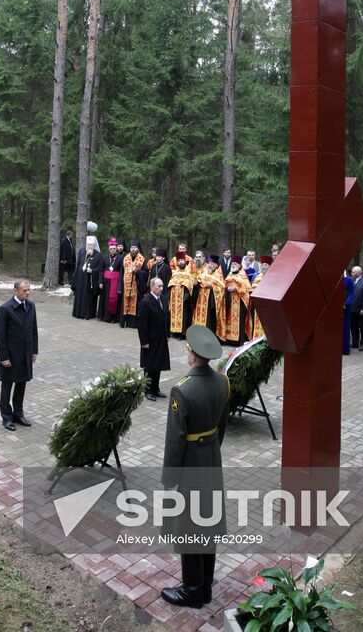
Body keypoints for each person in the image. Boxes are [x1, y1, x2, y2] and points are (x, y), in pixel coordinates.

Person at [160, 324, 230, 609]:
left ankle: (192, 590)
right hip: (212, 458)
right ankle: (205, 585)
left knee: (189, 524)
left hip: (190, 462)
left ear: (192, 355)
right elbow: (221, 425)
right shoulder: (223, 382)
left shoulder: (182, 390)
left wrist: (170, 477)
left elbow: (175, 440)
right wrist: (211, 448)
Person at [0, 280, 38, 431]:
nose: (28, 292)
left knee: (21, 385)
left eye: (29, 290)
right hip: (10, 356)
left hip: (25, 355)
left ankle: (18, 414)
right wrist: (3, 358)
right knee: (7, 386)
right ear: (16, 291)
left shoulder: (31, 306)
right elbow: (0, 337)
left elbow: (33, 331)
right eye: (24, 290)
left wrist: (34, 351)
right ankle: (6, 418)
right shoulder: (5, 309)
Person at [137, 277, 170, 401]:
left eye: (162, 286)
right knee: (150, 366)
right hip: (150, 340)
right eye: (159, 286)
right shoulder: (146, 302)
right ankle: (147, 390)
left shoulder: (164, 299)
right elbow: (141, 324)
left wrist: (168, 334)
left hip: (161, 338)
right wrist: (144, 342)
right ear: (152, 287)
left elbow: (167, 317)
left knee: (159, 364)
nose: (161, 288)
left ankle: (156, 388)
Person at [193, 255, 226, 338]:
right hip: (200, 300)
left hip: (211, 302)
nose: (210, 266)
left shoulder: (219, 275)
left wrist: (212, 286)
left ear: (216, 266)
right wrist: (197, 283)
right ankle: (198, 334)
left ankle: (208, 336)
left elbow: (221, 288)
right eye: (210, 264)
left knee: (209, 319)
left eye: (213, 264)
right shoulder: (204, 272)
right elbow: (198, 280)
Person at [71, 237, 103, 319]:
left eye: (91, 245)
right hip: (80, 280)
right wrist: (75, 280)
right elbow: (78, 266)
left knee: (89, 298)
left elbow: (100, 269)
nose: (89, 246)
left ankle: (88, 314)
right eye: (88, 244)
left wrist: (92, 271)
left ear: (94, 245)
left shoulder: (99, 255)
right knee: (80, 296)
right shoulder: (82, 252)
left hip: (90, 282)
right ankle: (78, 313)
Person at [166, 251, 196, 338]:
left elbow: (190, 282)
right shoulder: (174, 272)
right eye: (179, 261)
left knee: (184, 315)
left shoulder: (189, 272)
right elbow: (170, 283)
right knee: (173, 314)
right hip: (174, 298)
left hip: (183, 297)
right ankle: (174, 331)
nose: (180, 262)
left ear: (185, 261)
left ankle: (182, 334)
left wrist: (186, 294)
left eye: (182, 260)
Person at [224, 256, 252, 344]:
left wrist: (236, 288)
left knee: (239, 320)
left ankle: (239, 340)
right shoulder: (230, 274)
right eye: (232, 264)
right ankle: (230, 339)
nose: (233, 265)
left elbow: (247, 287)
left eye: (235, 264)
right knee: (229, 319)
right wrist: (227, 288)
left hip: (239, 302)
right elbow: (224, 285)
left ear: (239, 265)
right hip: (230, 301)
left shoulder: (243, 275)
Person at [120, 240, 147, 328]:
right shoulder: (125, 258)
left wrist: (138, 271)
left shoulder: (142, 259)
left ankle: (134, 324)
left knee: (136, 305)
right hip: (126, 286)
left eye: (135, 248)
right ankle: (125, 322)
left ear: (138, 249)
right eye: (132, 248)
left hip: (137, 287)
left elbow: (146, 273)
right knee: (125, 304)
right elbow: (121, 272)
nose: (133, 249)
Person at [99, 238, 123, 323]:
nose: (112, 250)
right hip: (106, 282)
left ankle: (113, 318)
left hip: (115, 282)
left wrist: (120, 284)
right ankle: (105, 317)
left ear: (116, 249)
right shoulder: (104, 257)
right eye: (111, 249)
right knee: (105, 299)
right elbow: (101, 270)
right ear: (109, 249)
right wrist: (100, 282)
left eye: (114, 249)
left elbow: (121, 272)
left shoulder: (120, 258)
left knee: (114, 300)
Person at [249, 255, 271, 338]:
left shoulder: (272, 277)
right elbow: (252, 288)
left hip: (268, 306)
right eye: (263, 265)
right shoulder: (258, 276)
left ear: (269, 266)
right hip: (258, 306)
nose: (264, 267)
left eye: (266, 265)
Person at [343, 270, 355, 354]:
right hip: (333, 307)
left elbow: (351, 293)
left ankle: (344, 348)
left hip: (345, 308)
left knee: (345, 328)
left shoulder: (349, 280)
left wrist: (345, 304)